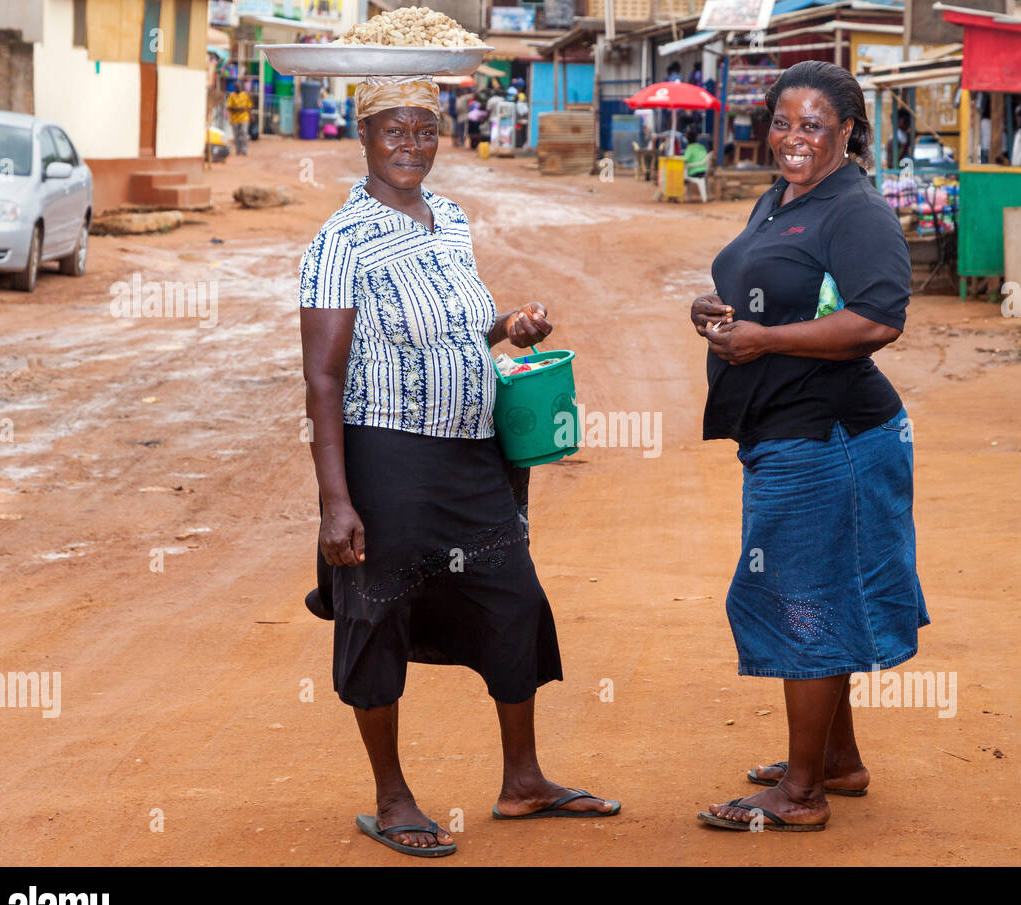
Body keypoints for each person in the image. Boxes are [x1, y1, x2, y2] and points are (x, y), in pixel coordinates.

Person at [298, 74, 620, 858]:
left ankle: (524, 781)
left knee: (511, 597)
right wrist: (335, 501)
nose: (411, 145)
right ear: (364, 136)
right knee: (377, 611)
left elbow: (463, 329)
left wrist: (511, 323)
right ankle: (393, 796)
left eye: (423, 131)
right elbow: (323, 379)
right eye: (393, 131)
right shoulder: (338, 242)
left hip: (473, 452)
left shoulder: (449, 219)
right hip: (389, 455)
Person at [690, 60, 929, 833]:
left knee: (805, 601)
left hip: (833, 439)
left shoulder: (856, 210)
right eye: (783, 123)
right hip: (789, 432)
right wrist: (721, 310)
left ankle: (799, 796)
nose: (794, 138)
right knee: (825, 592)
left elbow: (877, 319)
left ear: (848, 131)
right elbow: (776, 283)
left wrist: (765, 340)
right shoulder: (784, 195)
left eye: (814, 126)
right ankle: (836, 760)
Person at [226, 81, 253, 157]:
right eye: (236, 87)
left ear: (241, 87)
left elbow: (249, 106)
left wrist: (252, 116)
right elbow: (229, 107)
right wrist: (237, 109)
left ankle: (244, 150)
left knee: (244, 133)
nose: (237, 88)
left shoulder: (245, 95)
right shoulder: (232, 96)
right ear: (235, 88)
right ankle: (238, 150)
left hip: (244, 118)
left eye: (239, 86)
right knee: (236, 135)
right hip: (235, 119)